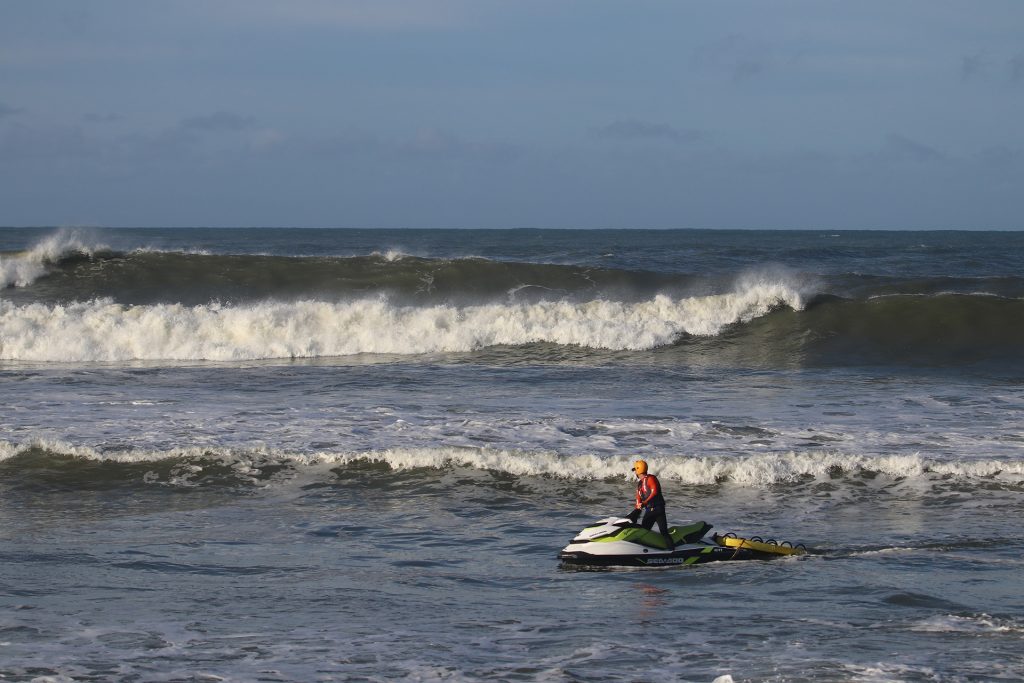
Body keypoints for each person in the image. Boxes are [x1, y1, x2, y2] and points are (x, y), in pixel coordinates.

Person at [627, 459, 675, 551]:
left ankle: (672, 552)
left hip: (657, 509)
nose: (635, 473)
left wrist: (645, 503)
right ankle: (648, 549)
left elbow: (655, 491)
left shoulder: (651, 478)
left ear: (638, 470)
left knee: (661, 531)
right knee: (645, 531)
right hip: (650, 510)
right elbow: (638, 499)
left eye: (635, 471)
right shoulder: (640, 484)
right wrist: (637, 508)